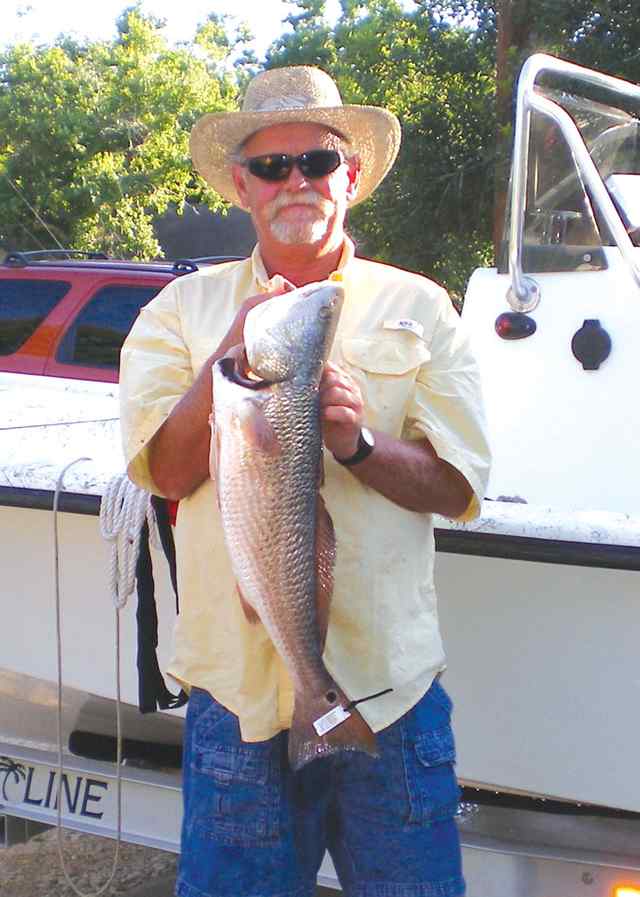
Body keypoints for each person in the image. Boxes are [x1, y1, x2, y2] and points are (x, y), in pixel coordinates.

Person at [120, 65, 491, 897]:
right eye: (272, 166)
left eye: (318, 162)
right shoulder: (178, 315)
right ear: (241, 186)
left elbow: (459, 488)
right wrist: (232, 360)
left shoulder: (424, 308)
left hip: (388, 697)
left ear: (350, 177)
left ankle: (323, 709)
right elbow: (168, 471)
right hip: (237, 701)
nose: (297, 182)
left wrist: (358, 444)